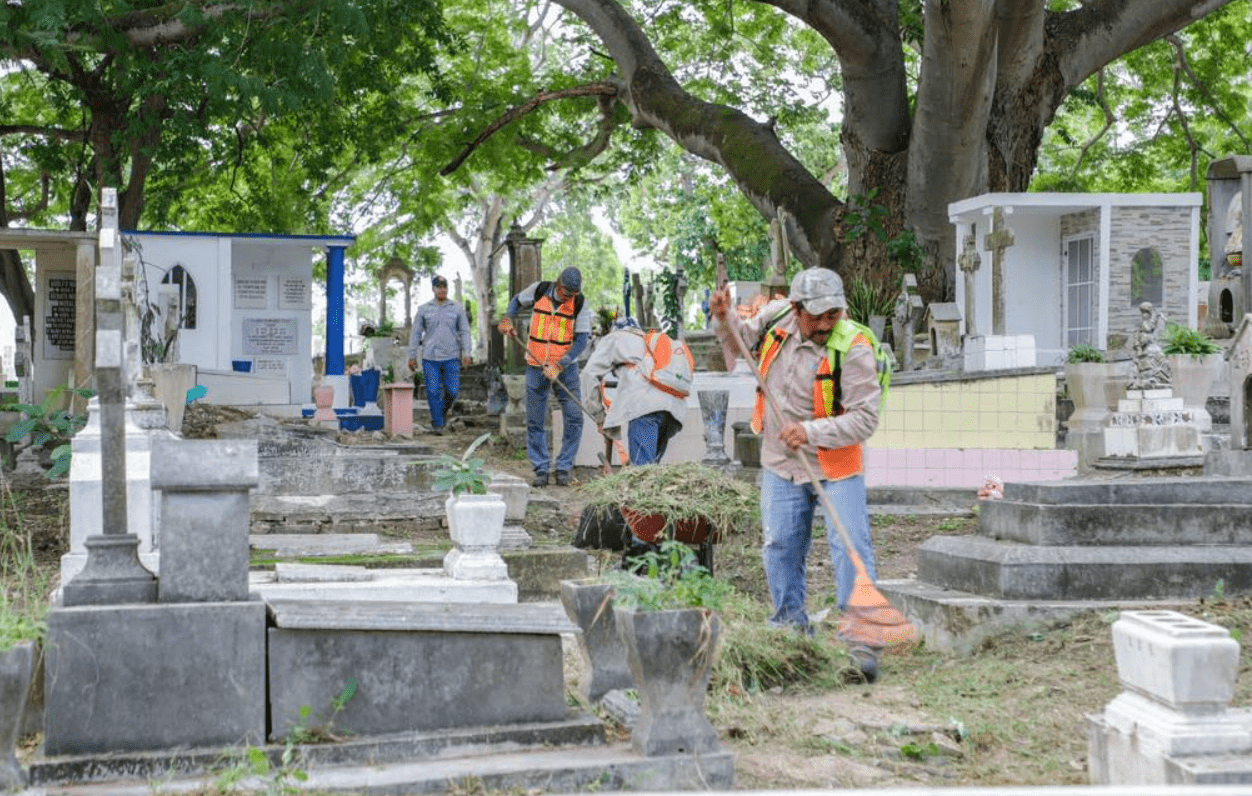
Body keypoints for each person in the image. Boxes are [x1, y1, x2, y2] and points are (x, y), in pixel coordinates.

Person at [709, 267, 884, 681]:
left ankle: (861, 640)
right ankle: (789, 625)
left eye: (833, 314)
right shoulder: (774, 320)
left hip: (835, 461)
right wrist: (724, 318)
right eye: (817, 315)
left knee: (849, 546)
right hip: (780, 460)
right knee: (780, 545)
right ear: (796, 307)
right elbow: (738, 345)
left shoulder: (853, 346)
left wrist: (809, 431)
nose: (826, 324)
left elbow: (865, 419)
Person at [498, 267, 591, 487]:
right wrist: (507, 319)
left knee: (574, 417)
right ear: (559, 284)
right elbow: (516, 301)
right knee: (535, 419)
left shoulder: (580, 303)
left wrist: (560, 364)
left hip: (565, 369)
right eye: (567, 292)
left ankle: (564, 467)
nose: (570, 297)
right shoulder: (539, 289)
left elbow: (581, 340)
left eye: (574, 293)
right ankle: (541, 468)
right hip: (535, 365)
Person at [580, 317, 687, 466]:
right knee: (652, 471)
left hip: (645, 407)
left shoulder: (615, 338)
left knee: (643, 473)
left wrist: (599, 416)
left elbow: (588, 375)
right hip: (674, 411)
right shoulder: (651, 342)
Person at [408, 274, 471, 436]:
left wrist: (467, 352)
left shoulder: (456, 308)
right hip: (430, 357)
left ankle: (441, 412)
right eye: (438, 287)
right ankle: (437, 423)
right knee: (433, 390)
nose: (442, 290)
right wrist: (412, 355)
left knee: (453, 390)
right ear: (433, 289)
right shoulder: (424, 309)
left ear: (447, 289)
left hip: (451, 356)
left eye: (444, 287)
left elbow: (465, 331)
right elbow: (415, 333)